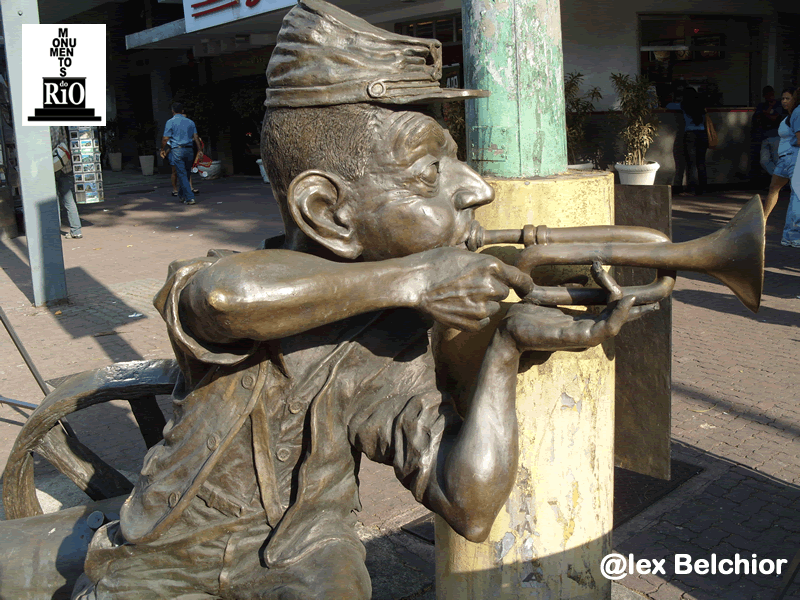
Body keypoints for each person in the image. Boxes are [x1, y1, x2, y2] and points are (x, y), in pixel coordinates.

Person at [72, 2, 657, 598]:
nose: (478, 189)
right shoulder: (230, 278)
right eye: (430, 171)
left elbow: (470, 507)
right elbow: (223, 300)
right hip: (163, 554)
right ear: (327, 213)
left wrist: (505, 349)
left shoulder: (393, 341)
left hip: (309, 556)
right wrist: (415, 279)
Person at [762, 88, 800, 226]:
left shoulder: (797, 115)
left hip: (794, 159)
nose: (784, 101)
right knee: (773, 189)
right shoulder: (787, 117)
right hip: (784, 159)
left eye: (788, 98)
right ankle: (763, 220)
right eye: (783, 98)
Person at [160, 102, 202, 205]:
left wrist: (162, 149)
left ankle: (190, 198)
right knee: (187, 173)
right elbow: (196, 137)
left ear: (172, 111)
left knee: (182, 173)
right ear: (182, 111)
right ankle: (181, 194)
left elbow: (165, 138)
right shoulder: (190, 122)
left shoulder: (170, 122)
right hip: (189, 149)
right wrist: (200, 150)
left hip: (177, 150)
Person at [50, 126, 82, 239]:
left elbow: (50, 143)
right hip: (63, 164)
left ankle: (54, 232)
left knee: (52, 200)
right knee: (68, 199)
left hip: (51, 165)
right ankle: (76, 230)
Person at [680, 88, 709, 195]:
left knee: (691, 163)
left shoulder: (683, 105)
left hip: (690, 134)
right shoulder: (701, 106)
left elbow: (669, 105)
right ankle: (703, 188)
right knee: (701, 162)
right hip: (702, 134)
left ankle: (692, 189)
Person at [754, 86, 786, 177]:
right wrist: (767, 112)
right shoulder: (762, 106)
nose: (769, 96)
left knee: (777, 161)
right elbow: (757, 119)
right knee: (764, 161)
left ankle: (780, 182)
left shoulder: (778, 105)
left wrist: (765, 113)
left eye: (771, 94)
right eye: (767, 94)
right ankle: (780, 179)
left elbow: (774, 118)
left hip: (776, 136)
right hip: (764, 136)